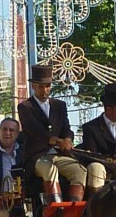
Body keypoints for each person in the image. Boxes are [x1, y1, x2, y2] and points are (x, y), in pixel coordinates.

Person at [18, 64, 86, 203]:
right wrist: (57, 141)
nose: (45, 90)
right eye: (41, 86)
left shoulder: (59, 105)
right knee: (50, 170)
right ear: (33, 86)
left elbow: (67, 128)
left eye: (48, 86)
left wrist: (68, 140)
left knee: (80, 170)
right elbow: (36, 131)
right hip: (37, 157)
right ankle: (56, 210)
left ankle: (75, 209)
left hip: (59, 155)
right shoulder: (25, 107)